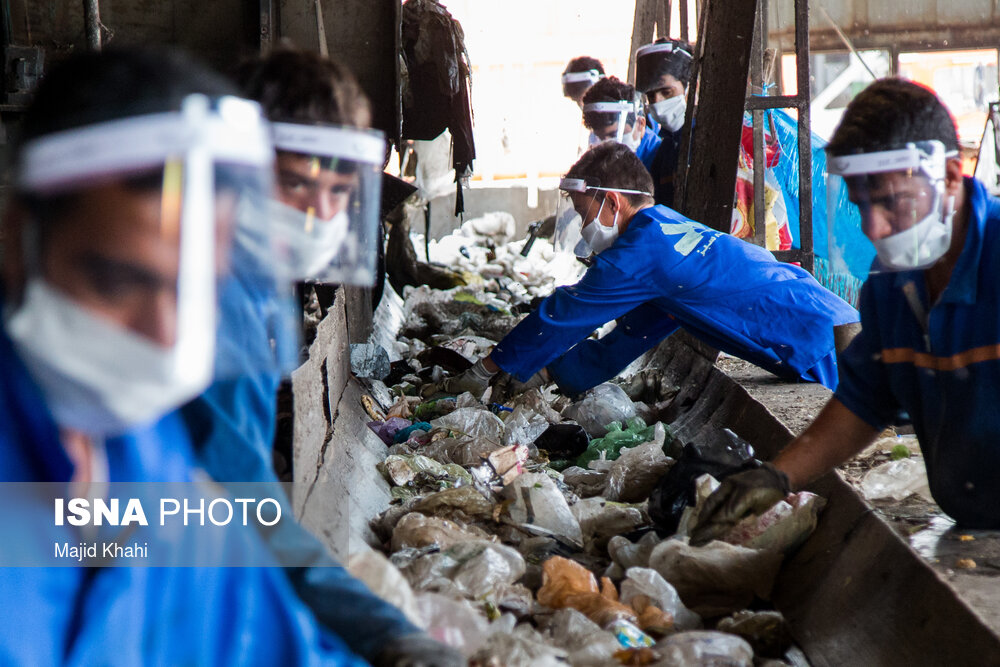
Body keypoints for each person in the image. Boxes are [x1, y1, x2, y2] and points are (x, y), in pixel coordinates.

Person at [0, 47, 367, 665]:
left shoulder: (147, 458)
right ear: (17, 242)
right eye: (117, 283)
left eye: (199, 290)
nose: (165, 339)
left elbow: (254, 632)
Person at [181, 48, 464, 667]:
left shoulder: (255, 291)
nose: (321, 214)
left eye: (339, 189)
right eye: (294, 183)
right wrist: (383, 634)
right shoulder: (196, 300)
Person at [692, 79, 1000, 540]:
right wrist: (778, 477)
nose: (874, 227)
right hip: (977, 526)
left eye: (892, 202)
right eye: (861, 206)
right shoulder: (891, 284)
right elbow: (865, 401)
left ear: (951, 175)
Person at [443, 142, 859, 400]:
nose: (580, 221)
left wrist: (488, 369)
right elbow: (635, 333)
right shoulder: (661, 227)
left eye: (581, 210)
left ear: (612, 202)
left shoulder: (638, 253)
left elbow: (565, 313)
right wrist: (550, 374)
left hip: (816, 340)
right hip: (824, 316)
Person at [634, 38, 693, 207]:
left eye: (667, 92)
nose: (658, 102)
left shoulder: (708, 139)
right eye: (651, 96)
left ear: (690, 86)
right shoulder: (664, 149)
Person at [582, 77, 663, 174]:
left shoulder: (661, 159)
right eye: (601, 138)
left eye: (614, 135)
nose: (608, 145)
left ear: (640, 125)